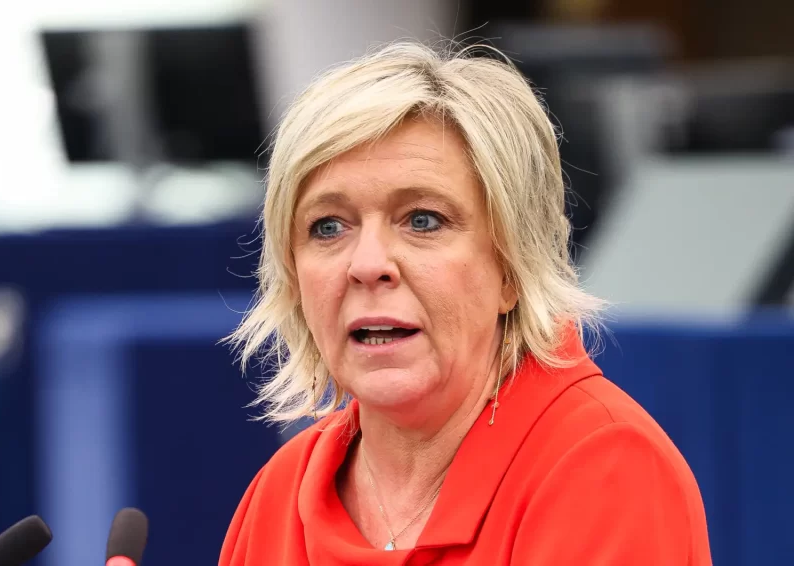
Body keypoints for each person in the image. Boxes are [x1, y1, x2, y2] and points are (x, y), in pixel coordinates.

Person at [219, 41, 712, 565]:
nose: (367, 264)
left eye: (423, 220)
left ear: (512, 267)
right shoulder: (279, 493)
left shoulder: (604, 468)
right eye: (328, 227)